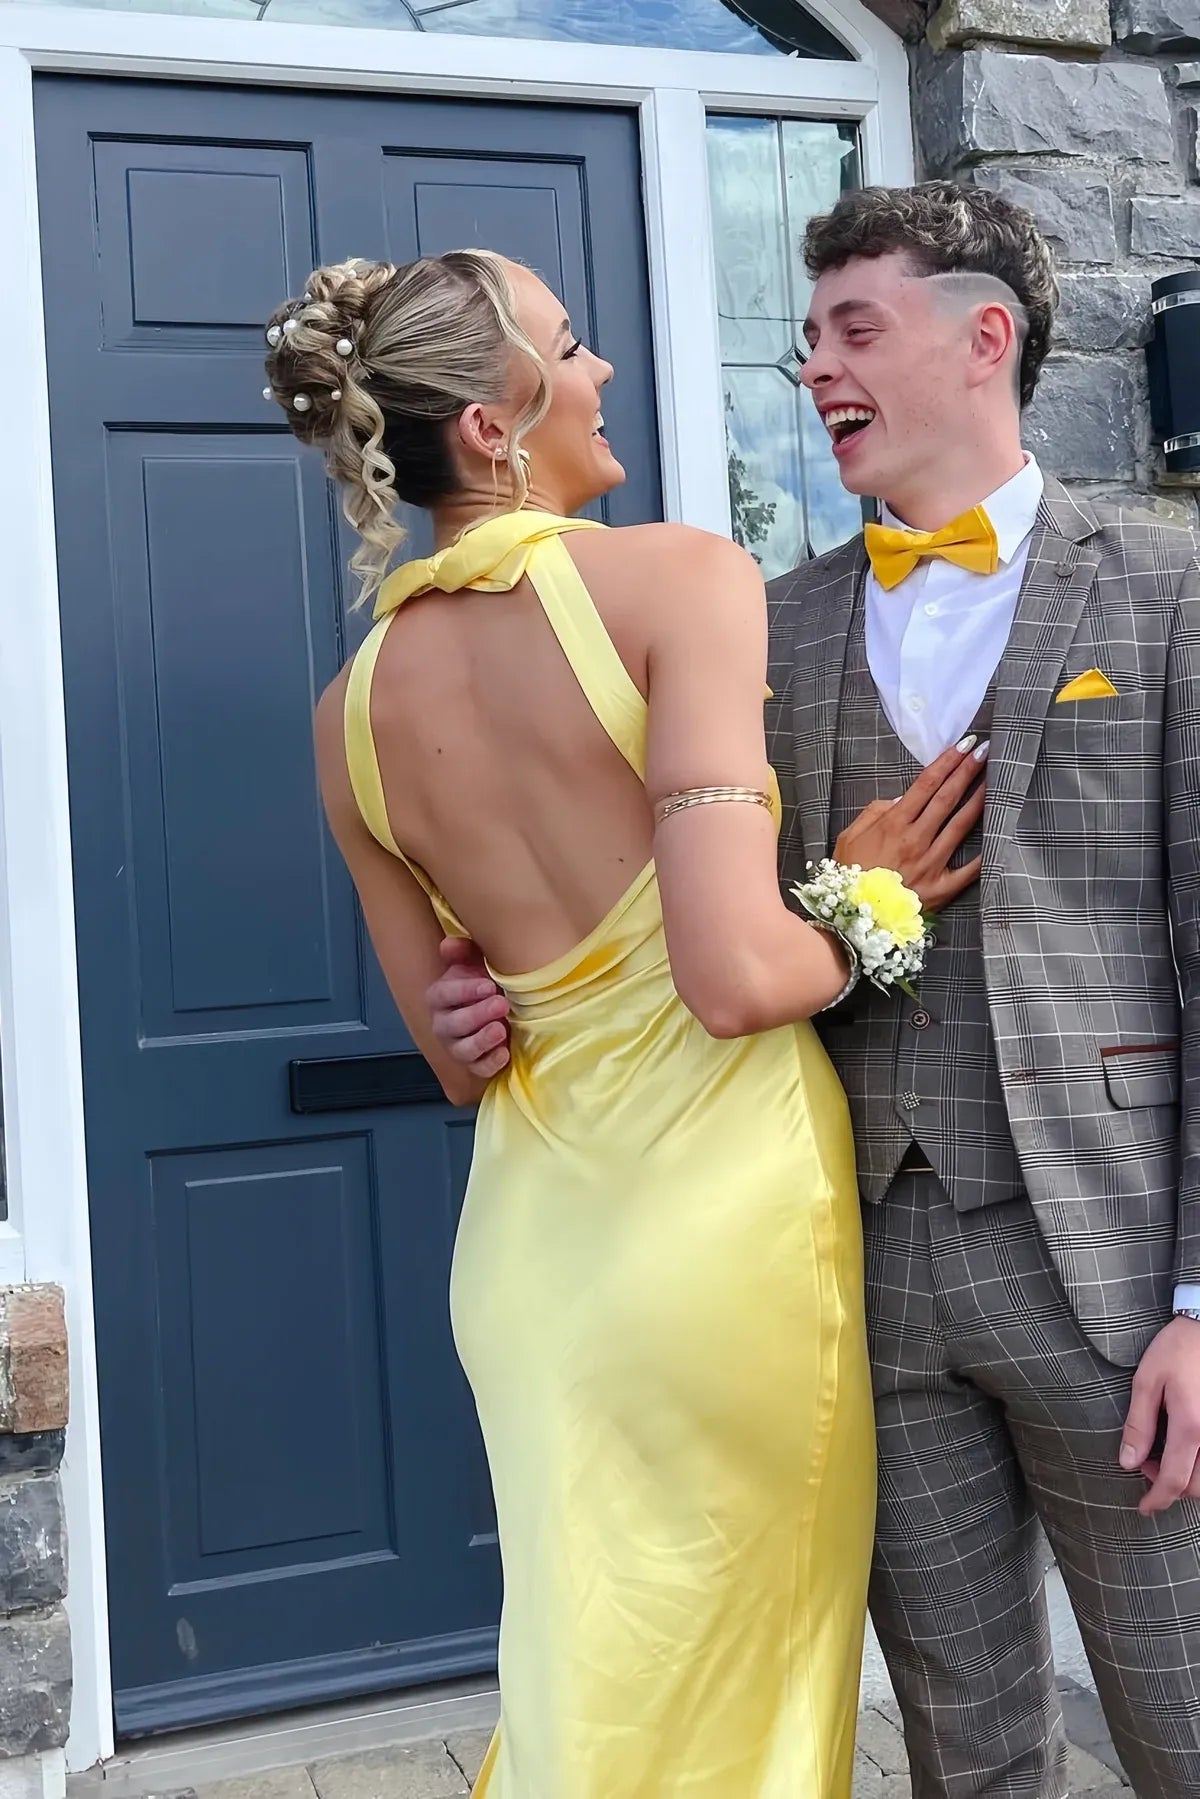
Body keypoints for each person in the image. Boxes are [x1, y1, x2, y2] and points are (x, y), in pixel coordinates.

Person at [429, 184, 1200, 1799]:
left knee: (1180, 1721)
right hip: (846, 1270)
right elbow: (631, 904)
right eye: (809, 340)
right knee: (966, 1751)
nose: (818, 370)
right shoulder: (760, 628)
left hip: (1118, 1273)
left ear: (984, 337)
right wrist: (484, 987)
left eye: (856, 329)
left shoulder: (1169, 586)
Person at [262, 249, 979, 1796]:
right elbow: (736, 979)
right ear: (491, 424)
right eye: (571, 345)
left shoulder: (347, 716)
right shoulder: (676, 581)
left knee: (582, 1695)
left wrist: (496, 980)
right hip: (717, 1241)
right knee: (739, 1703)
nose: (599, 372)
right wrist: (870, 899)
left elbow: (457, 1055)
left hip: (532, 1264)